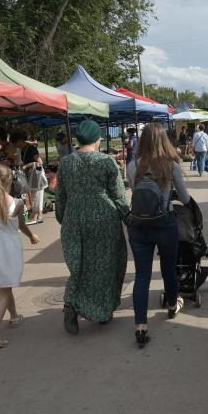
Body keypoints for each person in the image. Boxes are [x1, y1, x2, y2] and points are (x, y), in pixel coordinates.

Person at [56, 119, 130, 334]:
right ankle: (102, 310)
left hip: (74, 217)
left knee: (79, 265)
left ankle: (70, 302)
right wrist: (129, 219)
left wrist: (65, 219)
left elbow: (60, 197)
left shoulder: (66, 163)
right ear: (98, 139)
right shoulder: (106, 162)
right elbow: (118, 195)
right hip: (103, 218)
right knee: (108, 264)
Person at [126, 123, 192, 348]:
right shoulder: (171, 165)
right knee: (168, 269)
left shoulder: (132, 165)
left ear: (142, 141)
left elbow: (137, 195)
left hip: (139, 225)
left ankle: (140, 327)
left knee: (141, 277)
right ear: (164, 140)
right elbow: (183, 198)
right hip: (165, 224)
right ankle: (172, 305)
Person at [0, 163, 39, 348]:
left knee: (5, 284)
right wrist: (32, 236)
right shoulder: (17, 203)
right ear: (10, 180)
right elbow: (21, 226)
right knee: (5, 287)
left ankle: (14, 316)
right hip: (9, 247)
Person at [10, 129, 45, 225]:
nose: (15, 145)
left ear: (20, 140)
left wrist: (26, 166)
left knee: (36, 195)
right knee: (36, 194)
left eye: (15, 143)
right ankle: (38, 215)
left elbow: (39, 162)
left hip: (36, 174)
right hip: (32, 175)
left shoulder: (31, 148)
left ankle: (35, 215)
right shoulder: (23, 149)